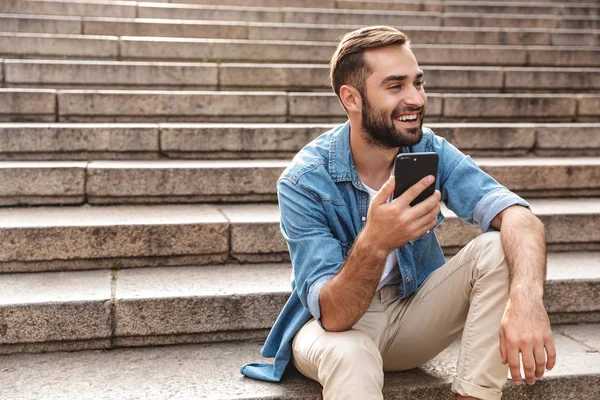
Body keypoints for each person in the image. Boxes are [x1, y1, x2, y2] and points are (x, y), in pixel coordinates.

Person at [241, 26, 556, 400]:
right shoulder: (305, 181)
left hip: (413, 315)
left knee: (498, 245)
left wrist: (526, 303)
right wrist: (375, 243)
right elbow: (334, 316)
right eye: (395, 87)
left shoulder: (428, 150)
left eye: (417, 83)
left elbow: (520, 217)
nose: (415, 99)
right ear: (351, 98)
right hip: (333, 330)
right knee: (352, 355)